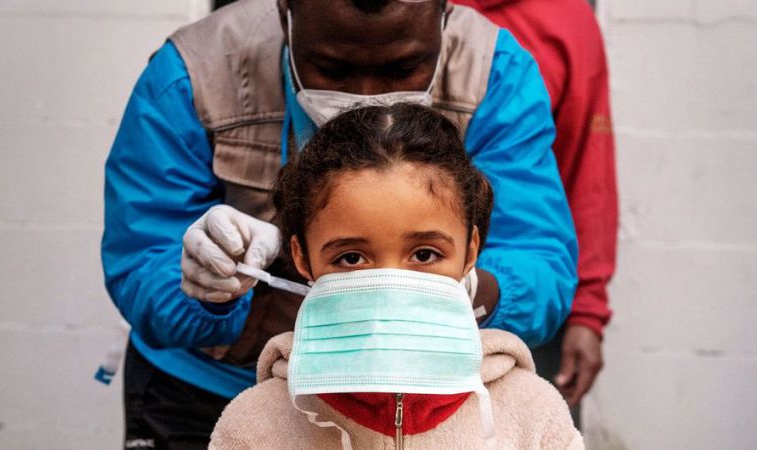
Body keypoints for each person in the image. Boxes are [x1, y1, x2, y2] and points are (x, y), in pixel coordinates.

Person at [102, 0, 577, 447]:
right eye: (331, 69)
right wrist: (218, 292)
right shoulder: (192, 73)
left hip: (431, 395)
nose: (362, 102)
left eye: (403, 68)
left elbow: (539, 263)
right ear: (285, 10)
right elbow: (141, 261)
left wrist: (458, 291)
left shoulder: (496, 72)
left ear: (444, 12)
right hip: (207, 391)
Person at [209, 103, 582, 449]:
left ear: (470, 251)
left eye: (424, 254)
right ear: (302, 258)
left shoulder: (533, 414)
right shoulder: (255, 424)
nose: (390, 286)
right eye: (351, 258)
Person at [451, 0, 618, 415]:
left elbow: (586, 167)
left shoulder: (566, 17)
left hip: (518, 305)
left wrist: (587, 311)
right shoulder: (397, 12)